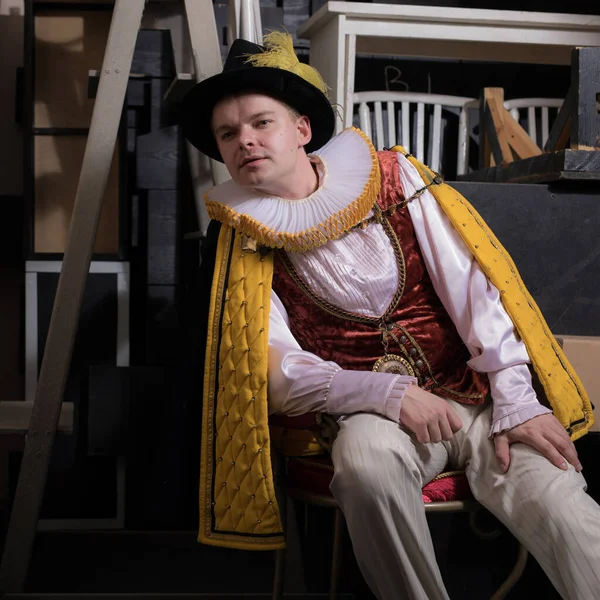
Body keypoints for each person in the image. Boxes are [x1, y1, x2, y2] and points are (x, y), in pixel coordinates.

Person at [179, 33, 600, 599]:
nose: (244, 141)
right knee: (364, 463)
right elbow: (276, 373)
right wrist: (384, 394)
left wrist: (516, 399)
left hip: (477, 400)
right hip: (373, 418)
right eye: (228, 134)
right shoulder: (239, 241)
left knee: (561, 498)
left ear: (302, 130)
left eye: (261, 123)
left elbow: (478, 293)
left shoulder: (397, 179)